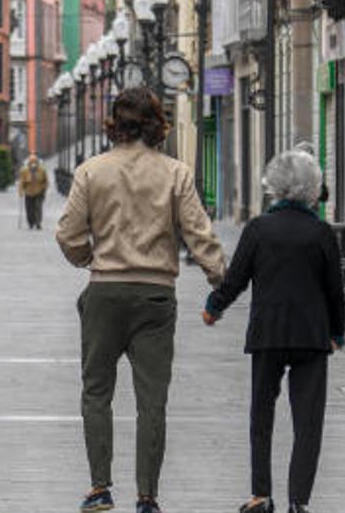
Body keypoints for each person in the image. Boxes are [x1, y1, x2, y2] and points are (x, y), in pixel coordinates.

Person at [56, 88, 225, 513]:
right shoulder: (175, 173)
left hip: (106, 291)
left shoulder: (91, 171)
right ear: (156, 124)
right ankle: (147, 497)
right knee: (153, 399)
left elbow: (68, 233)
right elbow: (198, 232)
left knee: (97, 391)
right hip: (155, 295)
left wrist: (88, 258)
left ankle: (100, 488)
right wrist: (219, 277)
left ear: (114, 123)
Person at [202, 151, 345, 513]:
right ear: (313, 187)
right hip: (312, 338)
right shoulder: (321, 233)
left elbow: (236, 278)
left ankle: (261, 495)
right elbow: (334, 290)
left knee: (261, 417)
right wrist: (337, 334)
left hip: (268, 334)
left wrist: (214, 307)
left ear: (274, 186)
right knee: (308, 423)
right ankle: (300, 501)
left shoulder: (258, 229)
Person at [18, 154, 48, 229]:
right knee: (29, 209)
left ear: (37, 162)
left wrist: (44, 189)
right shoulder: (24, 171)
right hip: (28, 192)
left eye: (34, 161)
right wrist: (21, 192)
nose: (33, 163)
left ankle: (38, 223)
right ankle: (30, 222)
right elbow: (21, 182)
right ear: (29, 162)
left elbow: (46, 181)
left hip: (39, 191)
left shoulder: (42, 170)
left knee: (38, 208)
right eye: (31, 162)